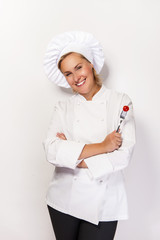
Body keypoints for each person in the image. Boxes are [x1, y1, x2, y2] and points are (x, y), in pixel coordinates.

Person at [43, 31, 136, 240]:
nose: (76, 77)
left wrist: (72, 155)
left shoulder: (119, 101)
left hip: (104, 202)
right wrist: (103, 146)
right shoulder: (62, 107)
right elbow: (51, 150)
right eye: (68, 73)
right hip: (63, 198)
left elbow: (123, 155)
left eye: (79, 67)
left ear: (91, 64)